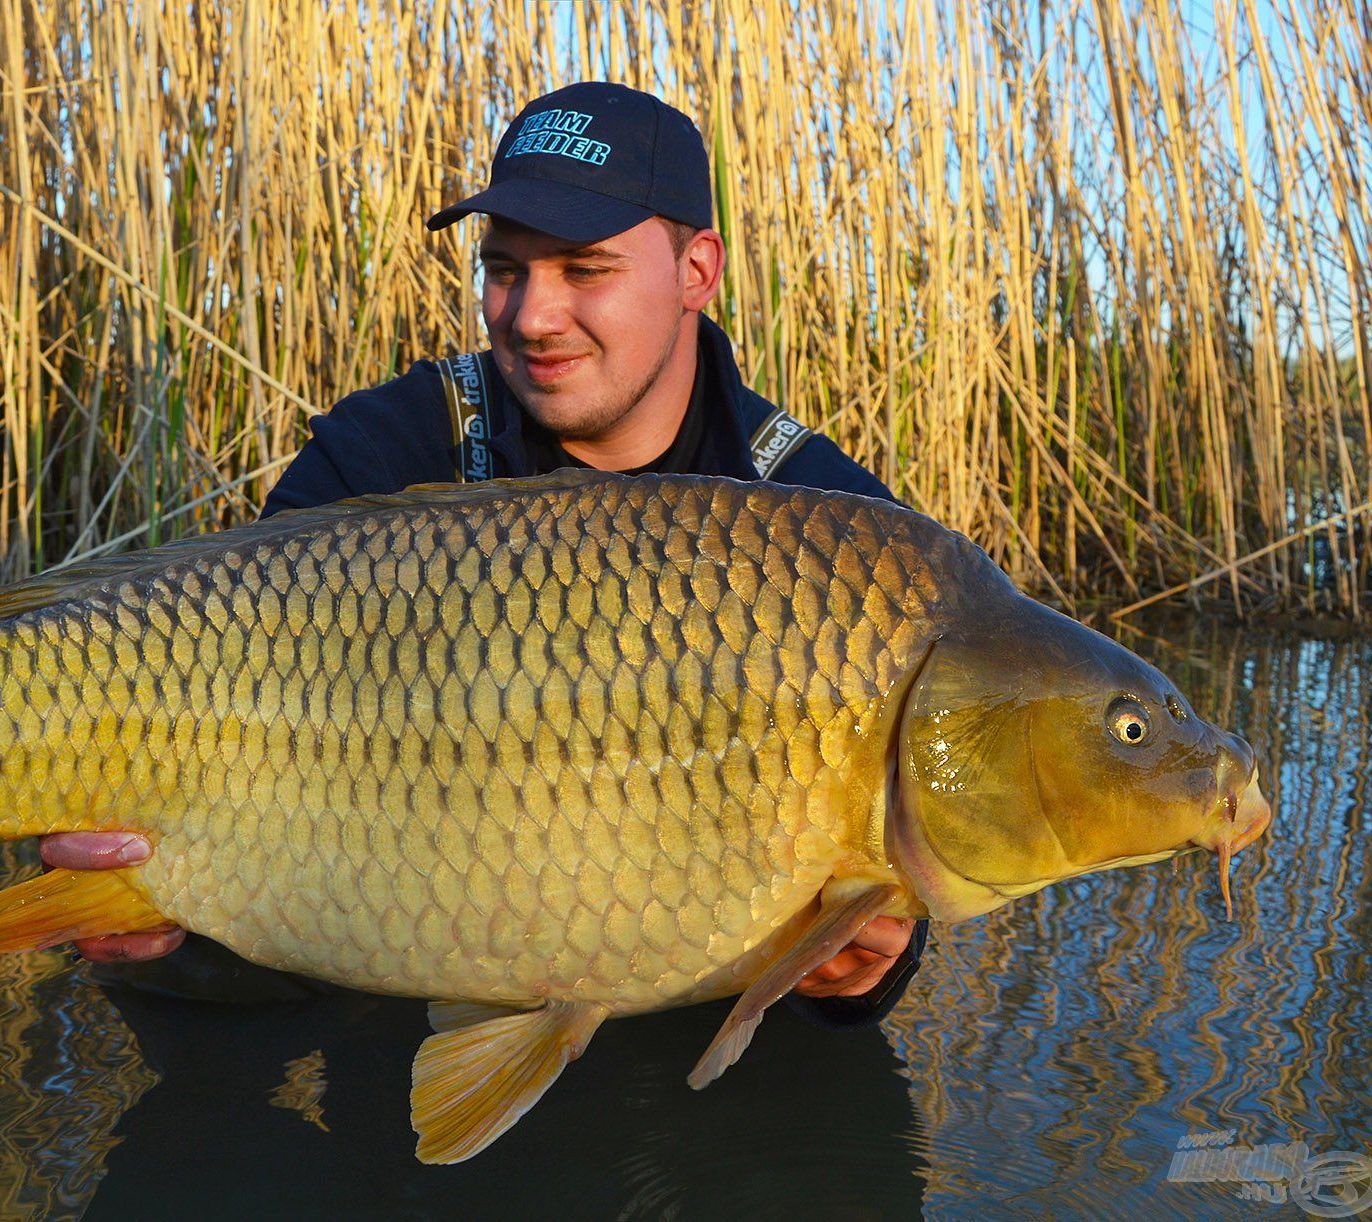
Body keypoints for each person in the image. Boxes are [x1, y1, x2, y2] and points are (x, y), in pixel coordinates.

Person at [45, 81, 926, 1026]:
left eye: (585, 270)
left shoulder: (832, 536)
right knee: (192, 987)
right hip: (358, 939)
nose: (532, 316)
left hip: (676, 1009)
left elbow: (898, 884)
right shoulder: (387, 452)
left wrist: (871, 965)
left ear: (696, 270)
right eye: (505, 269)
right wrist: (104, 857)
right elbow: (181, 670)